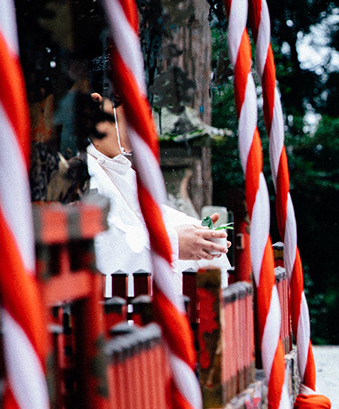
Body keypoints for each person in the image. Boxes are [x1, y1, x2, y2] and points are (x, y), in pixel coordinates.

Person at [85, 92, 230, 293]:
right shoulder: (78, 172)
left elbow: (149, 215)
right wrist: (172, 242)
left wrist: (199, 233)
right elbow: (105, 246)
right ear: (97, 103)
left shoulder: (118, 169)